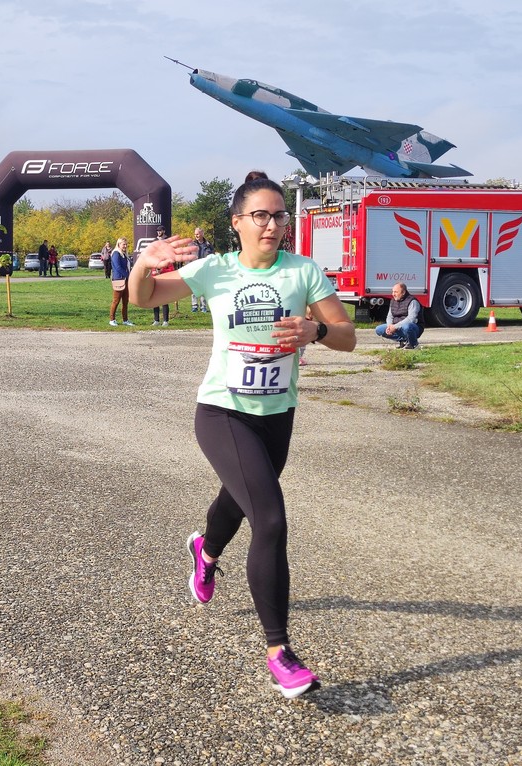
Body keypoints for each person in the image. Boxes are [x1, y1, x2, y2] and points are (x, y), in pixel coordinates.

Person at [128, 170, 356, 699]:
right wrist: (144, 262)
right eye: (261, 215)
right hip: (222, 412)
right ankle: (280, 652)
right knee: (270, 517)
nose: (273, 224)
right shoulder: (216, 270)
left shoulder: (303, 273)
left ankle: (205, 550)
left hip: (277, 414)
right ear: (237, 223)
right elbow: (143, 298)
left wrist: (316, 331)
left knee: (239, 499)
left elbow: (348, 336)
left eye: (280, 215)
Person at [375, 282, 423, 349]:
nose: (393, 294)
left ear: (403, 292)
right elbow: (390, 316)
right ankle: (403, 340)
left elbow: (411, 319)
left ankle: (414, 344)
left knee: (407, 327)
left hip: (413, 327)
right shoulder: (393, 301)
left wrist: (395, 327)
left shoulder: (413, 301)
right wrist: (389, 326)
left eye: (396, 292)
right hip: (396, 326)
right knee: (379, 329)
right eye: (392, 292)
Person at [108, 237, 134, 327]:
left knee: (125, 301)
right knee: (116, 300)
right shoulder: (116, 254)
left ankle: (125, 320)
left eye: (126, 244)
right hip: (119, 280)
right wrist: (128, 276)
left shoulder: (124, 254)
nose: (125, 246)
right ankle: (112, 319)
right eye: (124, 244)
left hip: (126, 280)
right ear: (119, 244)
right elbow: (118, 268)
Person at [150, 225, 170, 326]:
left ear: (164, 231)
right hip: (155, 273)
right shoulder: (154, 241)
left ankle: (166, 320)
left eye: (160, 231)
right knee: (155, 298)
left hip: (165, 273)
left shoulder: (167, 241)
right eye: (157, 231)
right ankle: (156, 320)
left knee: (164, 298)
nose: (158, 232)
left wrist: (162, 270)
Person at [190, 227, 213, 313]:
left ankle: (203, 306)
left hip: (205, 269)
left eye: (198, 233)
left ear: (202, 234)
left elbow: (212, 256)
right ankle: (194, 306)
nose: (196, 235)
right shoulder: (191, 244)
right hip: (194, 269)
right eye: (195, 233)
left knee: (203, 288)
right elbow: (188, 256)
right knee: (194, 288)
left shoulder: (208, 244)